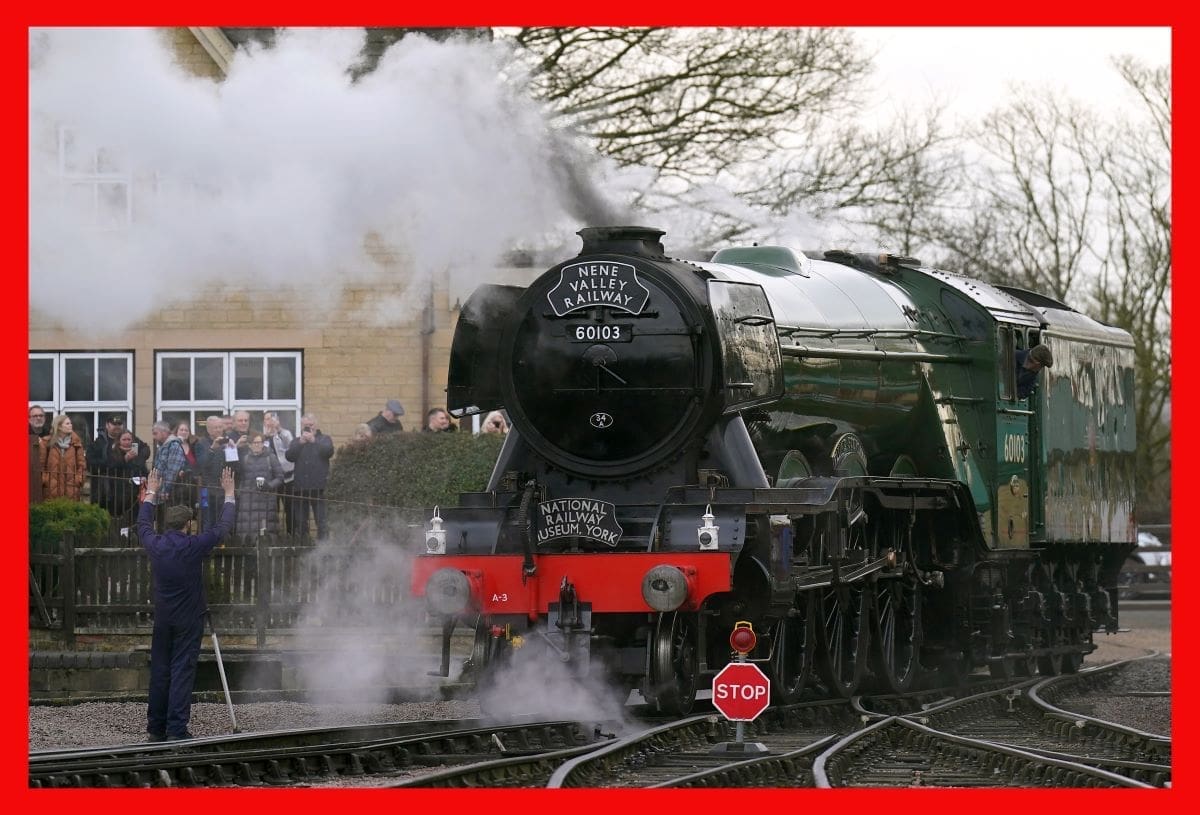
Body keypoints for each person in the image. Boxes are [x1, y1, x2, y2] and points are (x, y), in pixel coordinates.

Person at [138, 465, 237, 742]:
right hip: (189, 619)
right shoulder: (193, 546)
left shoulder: (155, 545)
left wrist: (151, 492)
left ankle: (155, 729)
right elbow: (222, 528)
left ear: (167, 524)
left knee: (160, 670)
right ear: (188, 525)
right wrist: (229, 494)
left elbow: (143, 524)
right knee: (182, 670)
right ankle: (177, 730)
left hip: (163, 619)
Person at [285, 413, 334, 541]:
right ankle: (303, 549)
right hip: (300, 488)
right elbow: (289, 456)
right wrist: (301, 443)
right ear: (302, 426)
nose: (308, 428)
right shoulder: (296, 441)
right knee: (300, 523)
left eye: (311, 425)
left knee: (322, 522)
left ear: (316, 425)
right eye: (306, 426)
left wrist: (313, 440)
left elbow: (329, 451)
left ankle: (324, 550)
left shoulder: (324, 439)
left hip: (319, 488)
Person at [236, 432, 283, 537]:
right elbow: (238, 476)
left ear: (263, 443)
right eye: (254, 442)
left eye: (259, 442)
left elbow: (280, 477)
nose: (257, 445)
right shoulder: (244, 458)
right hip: (247, 501)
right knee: (247, 530)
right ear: (249, 444)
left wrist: (269, 486)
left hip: (266, 500)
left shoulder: (271, 457)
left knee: (265, 530)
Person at [99, 430, 148, 529]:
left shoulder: (137, 454)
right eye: (124, 439)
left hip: (135, 493)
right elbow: (109, 469)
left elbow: (143, 469)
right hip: (117, 493)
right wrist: (124, 459)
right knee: (119, 521)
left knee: (134, 520)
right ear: (119, 441)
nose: (127, 442)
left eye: (129, 439)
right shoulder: (113, 452)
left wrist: (144, 477)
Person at [262, 412, 296, 536]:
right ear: (264, 422)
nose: (269, 421)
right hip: (271, 479)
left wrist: (278, 430)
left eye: (272, 419)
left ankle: (292, 535)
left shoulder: (285, 433)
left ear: (277, 420)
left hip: (287, 477)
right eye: (267, 419)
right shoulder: (262, 437)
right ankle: (273, 536)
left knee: (289, 508)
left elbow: (291, 448)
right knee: (271, 510)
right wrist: (265, 437)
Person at [40, 414, 86, 501]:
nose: (71, 425)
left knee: (70, 511)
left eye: (71, 423)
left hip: (71, 487)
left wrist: (79, 480)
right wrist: (45, 479)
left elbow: (82, 465)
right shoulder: (46, 443)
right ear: (59, 427)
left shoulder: (76, 443)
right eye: (67, 424)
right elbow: (41, 464)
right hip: (51, 487)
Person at [150, 420, 189, 512]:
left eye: (155, 433)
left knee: (169, 520)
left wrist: (165, 490)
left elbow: (172, 470)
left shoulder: (174, 445)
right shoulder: (164, 446)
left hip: (170, 493)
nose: (154, 437)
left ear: (164, 432)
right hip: (161, 491)